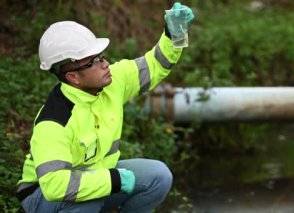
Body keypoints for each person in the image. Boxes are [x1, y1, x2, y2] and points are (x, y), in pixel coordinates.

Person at [16, 2, 195, 213]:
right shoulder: (54, 122)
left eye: (101, 57)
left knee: (158, 176)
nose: (105, 64)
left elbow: (156, 64)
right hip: (42, 197)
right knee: (90, 201)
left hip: (98, 177)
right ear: (73, 77)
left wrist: (175, 32)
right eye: (92, 62)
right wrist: (113, 180)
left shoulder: (111, 82)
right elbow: (55, 185)